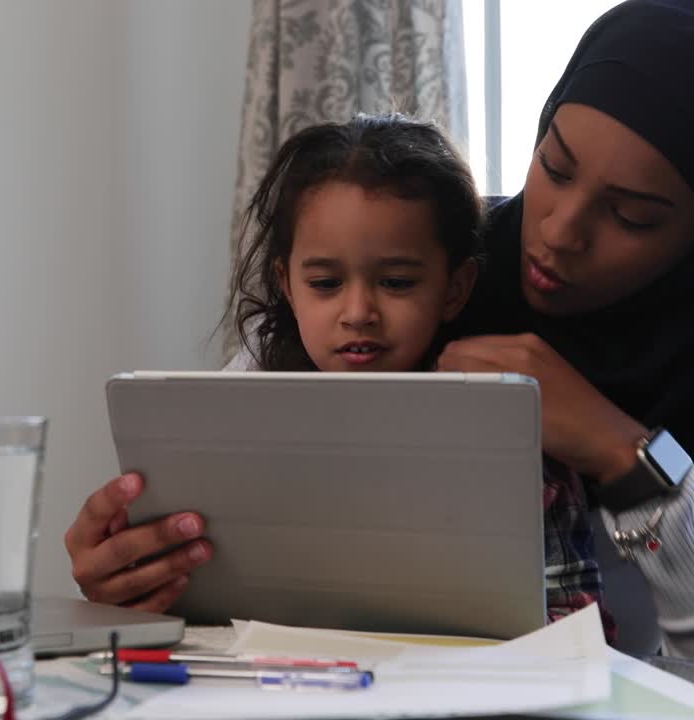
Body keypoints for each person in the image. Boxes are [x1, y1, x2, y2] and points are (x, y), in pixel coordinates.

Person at [65, 0, 694, 656]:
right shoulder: (417, 250)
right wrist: (135, 572)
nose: (560, 232)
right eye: (555, 167)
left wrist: (626, 452)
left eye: (632, 216)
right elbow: (226, 469)